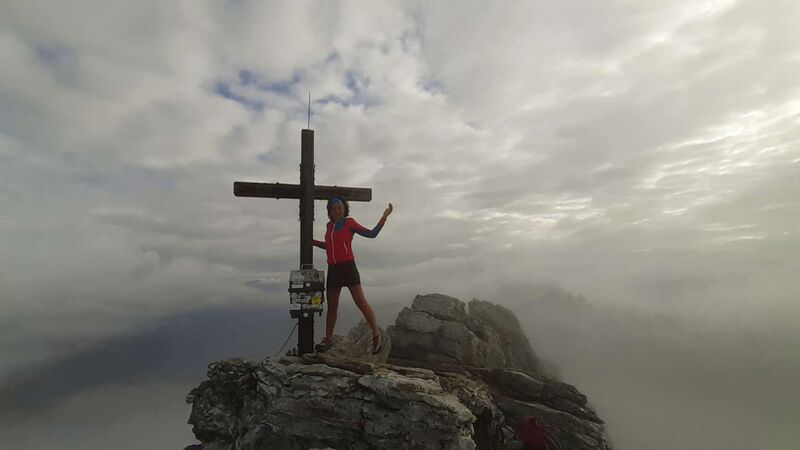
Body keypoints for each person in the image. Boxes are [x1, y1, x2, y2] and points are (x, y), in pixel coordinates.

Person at [312, 197, 393, 354]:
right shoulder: (329, 226)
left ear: (344, 209)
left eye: (339, 208)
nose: (336, 211)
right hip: (333, 268)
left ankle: (376, 335)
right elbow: (330, 246)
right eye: (333, 209)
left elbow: (372, 234)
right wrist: (313, 242)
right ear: (329, 211)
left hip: (348, 267)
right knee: (332, 306)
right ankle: (328, 339)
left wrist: (384, 217)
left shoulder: (349, 223)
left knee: (360, 302)